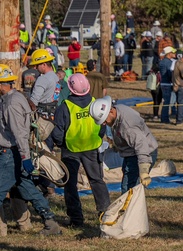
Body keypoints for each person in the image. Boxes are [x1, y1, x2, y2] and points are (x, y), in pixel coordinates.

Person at [0, 65, 63, 235]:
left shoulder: (11, 104)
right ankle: (51, 222)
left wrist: (25, 156)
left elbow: (19, 133)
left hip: (11, 154)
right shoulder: (16, 97)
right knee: (28, 189)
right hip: (16, 153)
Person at [51, 73, 110, 228]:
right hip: (92, 147)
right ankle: (106, 214)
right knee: (97, 181)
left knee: (70, 185)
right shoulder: (95, 104)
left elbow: (57, 132)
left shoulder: (64, 107)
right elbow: (102, 125)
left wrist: (60, 143)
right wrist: (98, 138)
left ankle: (76, 219)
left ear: (70, 88)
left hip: (71, 149)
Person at [90, 96, 158, 192]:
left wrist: (143, 170)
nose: (104, 123)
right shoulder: (118, 111)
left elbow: (141, 146)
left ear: (111, 112)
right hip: (131, 153)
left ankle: (130, 206)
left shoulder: (128, 127)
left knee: (129, 188)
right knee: (128, 181)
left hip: (142, 154)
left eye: (104, 119)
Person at [27, 48, 59, 116]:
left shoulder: (42, 79)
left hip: (43, 116)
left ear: (44, 65)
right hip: (54, 113)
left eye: (37, 65)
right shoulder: (55, 76)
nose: (35, 68)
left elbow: (33, 101)